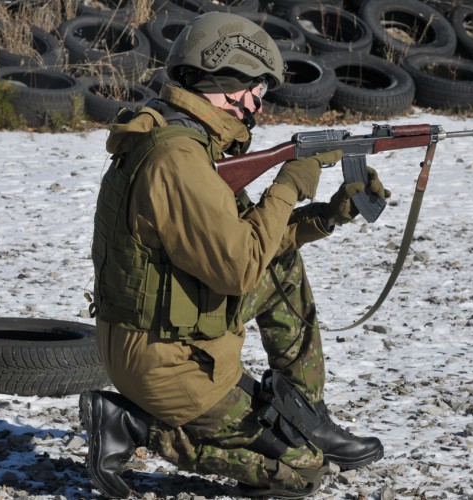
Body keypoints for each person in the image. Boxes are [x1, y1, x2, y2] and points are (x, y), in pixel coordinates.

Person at [79, 11, 392, 499]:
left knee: (281, 268)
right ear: (225, 84)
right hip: (167, 363)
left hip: (162, 338)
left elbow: (255, 242)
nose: (258, 106)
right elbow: (239, 268)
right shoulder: (179, 161)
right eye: (257, 91)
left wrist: (328, 215)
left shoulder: (185, 143)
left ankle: (307, 414)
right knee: (303, 470)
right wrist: (290, 180)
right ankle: (134, 427)